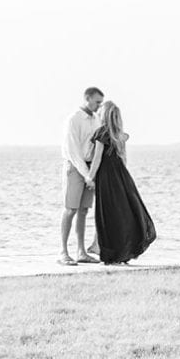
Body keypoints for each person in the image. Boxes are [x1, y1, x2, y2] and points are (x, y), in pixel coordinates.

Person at [83, 100, 157, 264]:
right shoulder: (119, 135)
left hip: (106, 177)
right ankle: (123, 251)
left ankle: (110, 252)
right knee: (123, 212)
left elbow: (97, 159)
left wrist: (90, 177)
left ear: (104, 115)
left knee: (107, 214)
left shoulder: (102, 132)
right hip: (122, 176)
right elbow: (123, 159)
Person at [59, 87, 105, 265]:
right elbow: (73, 152)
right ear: (87, 98)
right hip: (75, 167)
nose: (99, 106)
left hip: (89, 169)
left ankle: (81, 252)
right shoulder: (74, 120)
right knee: (70, 209)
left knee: (84, 211)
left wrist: (93, 173)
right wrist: (87, 176)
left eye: (101, 103)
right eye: (97, 102)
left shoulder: (96, 120)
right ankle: (63, 251)